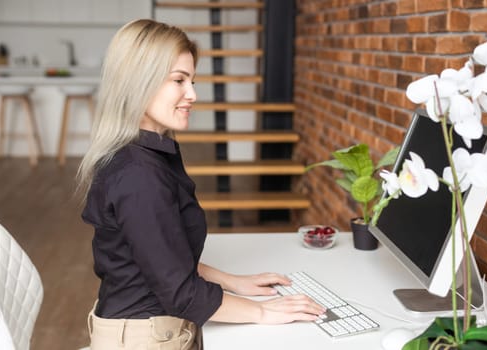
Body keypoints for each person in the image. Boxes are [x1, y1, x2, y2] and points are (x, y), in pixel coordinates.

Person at [76, 19, 324, 350]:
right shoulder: (139, 176)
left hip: (151, 329)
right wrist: (262, 313)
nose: (192, 94)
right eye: (179, 80)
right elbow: (181, 293)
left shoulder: (146, 153)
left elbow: (162, 256)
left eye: (192, 81)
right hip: (145, 339)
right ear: (139, 82)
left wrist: (234, 282)